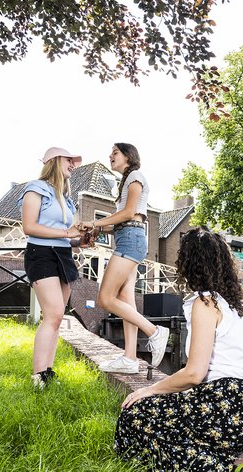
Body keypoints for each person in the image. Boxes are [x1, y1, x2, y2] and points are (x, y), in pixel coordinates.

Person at [114, 228, 243, 472]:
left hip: (226, 404)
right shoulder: (233, 304)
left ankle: (204, 468)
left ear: (188, 264)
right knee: (167, 415)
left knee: (135, 415)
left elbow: (195, 374)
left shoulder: (205, 303)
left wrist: (149, 390)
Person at [77, 143, 169, 374]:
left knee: (105, 298)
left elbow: (129, 214)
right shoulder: (126, 181)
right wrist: (98, 231)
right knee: (126, 301)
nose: (110, 156)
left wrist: (95, 222)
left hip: (131, 241)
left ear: (128, 156)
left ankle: (155, 332)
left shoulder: (135, 177)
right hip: (128, 237)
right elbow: (125, 220)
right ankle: (130, 358)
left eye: (115, 152)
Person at [19, 147, 89, 389]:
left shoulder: (66, 198)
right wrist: (65, 232)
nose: (73, 164)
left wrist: (79, 241)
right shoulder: (35, 188)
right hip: (41, 254)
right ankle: (38, 376)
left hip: (63, 254)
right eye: (69, 160)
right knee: (54, 314)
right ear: (55, 161)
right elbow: (29, 226)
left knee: (58, 318)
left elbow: (67, 236)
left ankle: (47, 372)